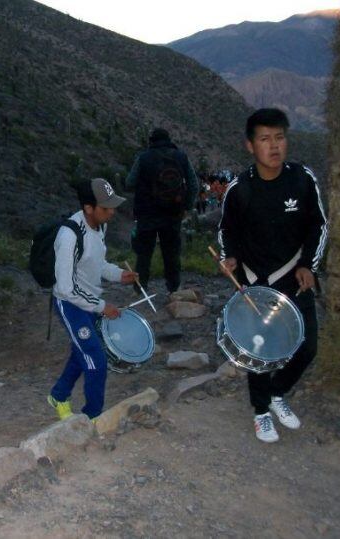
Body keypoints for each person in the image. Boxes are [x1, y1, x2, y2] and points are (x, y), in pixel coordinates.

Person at [218, 108, 328, 443]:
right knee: (260, 351)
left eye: (279, 137)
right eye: (265, 139)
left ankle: (279, 393)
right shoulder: (240, 189)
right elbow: (226, 231)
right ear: (250, 145)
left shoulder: (302, 179)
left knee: (307, 347)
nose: (274, 145)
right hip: (255, 282)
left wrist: (309, 264)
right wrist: (230, 258)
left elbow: (318, 225)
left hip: (295, 277)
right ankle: (261, 411)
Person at [46, 178, 138, 421]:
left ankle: (58, 394)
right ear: (89, 208)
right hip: (70, 304)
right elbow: (66, 288)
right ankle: (92, 417)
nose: (112, 212)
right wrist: (102, 306)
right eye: (106, 208)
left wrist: (119, 275)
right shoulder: (69, 236)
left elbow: (98, 264)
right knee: (96, 359)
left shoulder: (100, 226)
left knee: (83, 351)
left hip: (88, 302)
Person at [125, 128, 198, 294]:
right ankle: (173, 288)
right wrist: (186, 206)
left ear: (151, 141)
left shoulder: (143, 158)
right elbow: (194, 185)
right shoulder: (181, 157)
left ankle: (140, 288)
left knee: (144, 253)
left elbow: (129, 182)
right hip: (173, 213)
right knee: (171, 253)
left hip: (147, 214)